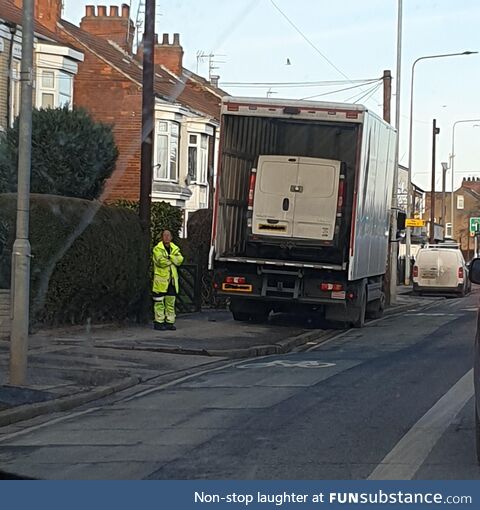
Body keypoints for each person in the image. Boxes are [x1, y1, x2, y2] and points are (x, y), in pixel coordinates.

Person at [152, 230, 184, 331]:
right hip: (160, 282)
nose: (166, 237)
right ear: (162, 237)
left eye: (168, 235)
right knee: (159, 303)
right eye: (164, 235)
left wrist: (169, 257)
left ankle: (170, 322)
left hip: (172, 282)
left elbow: (180, 260)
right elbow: (160, 261)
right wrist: (173, 260)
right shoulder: (157, 249)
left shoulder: (175, 248)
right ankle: (159, 323)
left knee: (170, 303)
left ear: (171, 237)